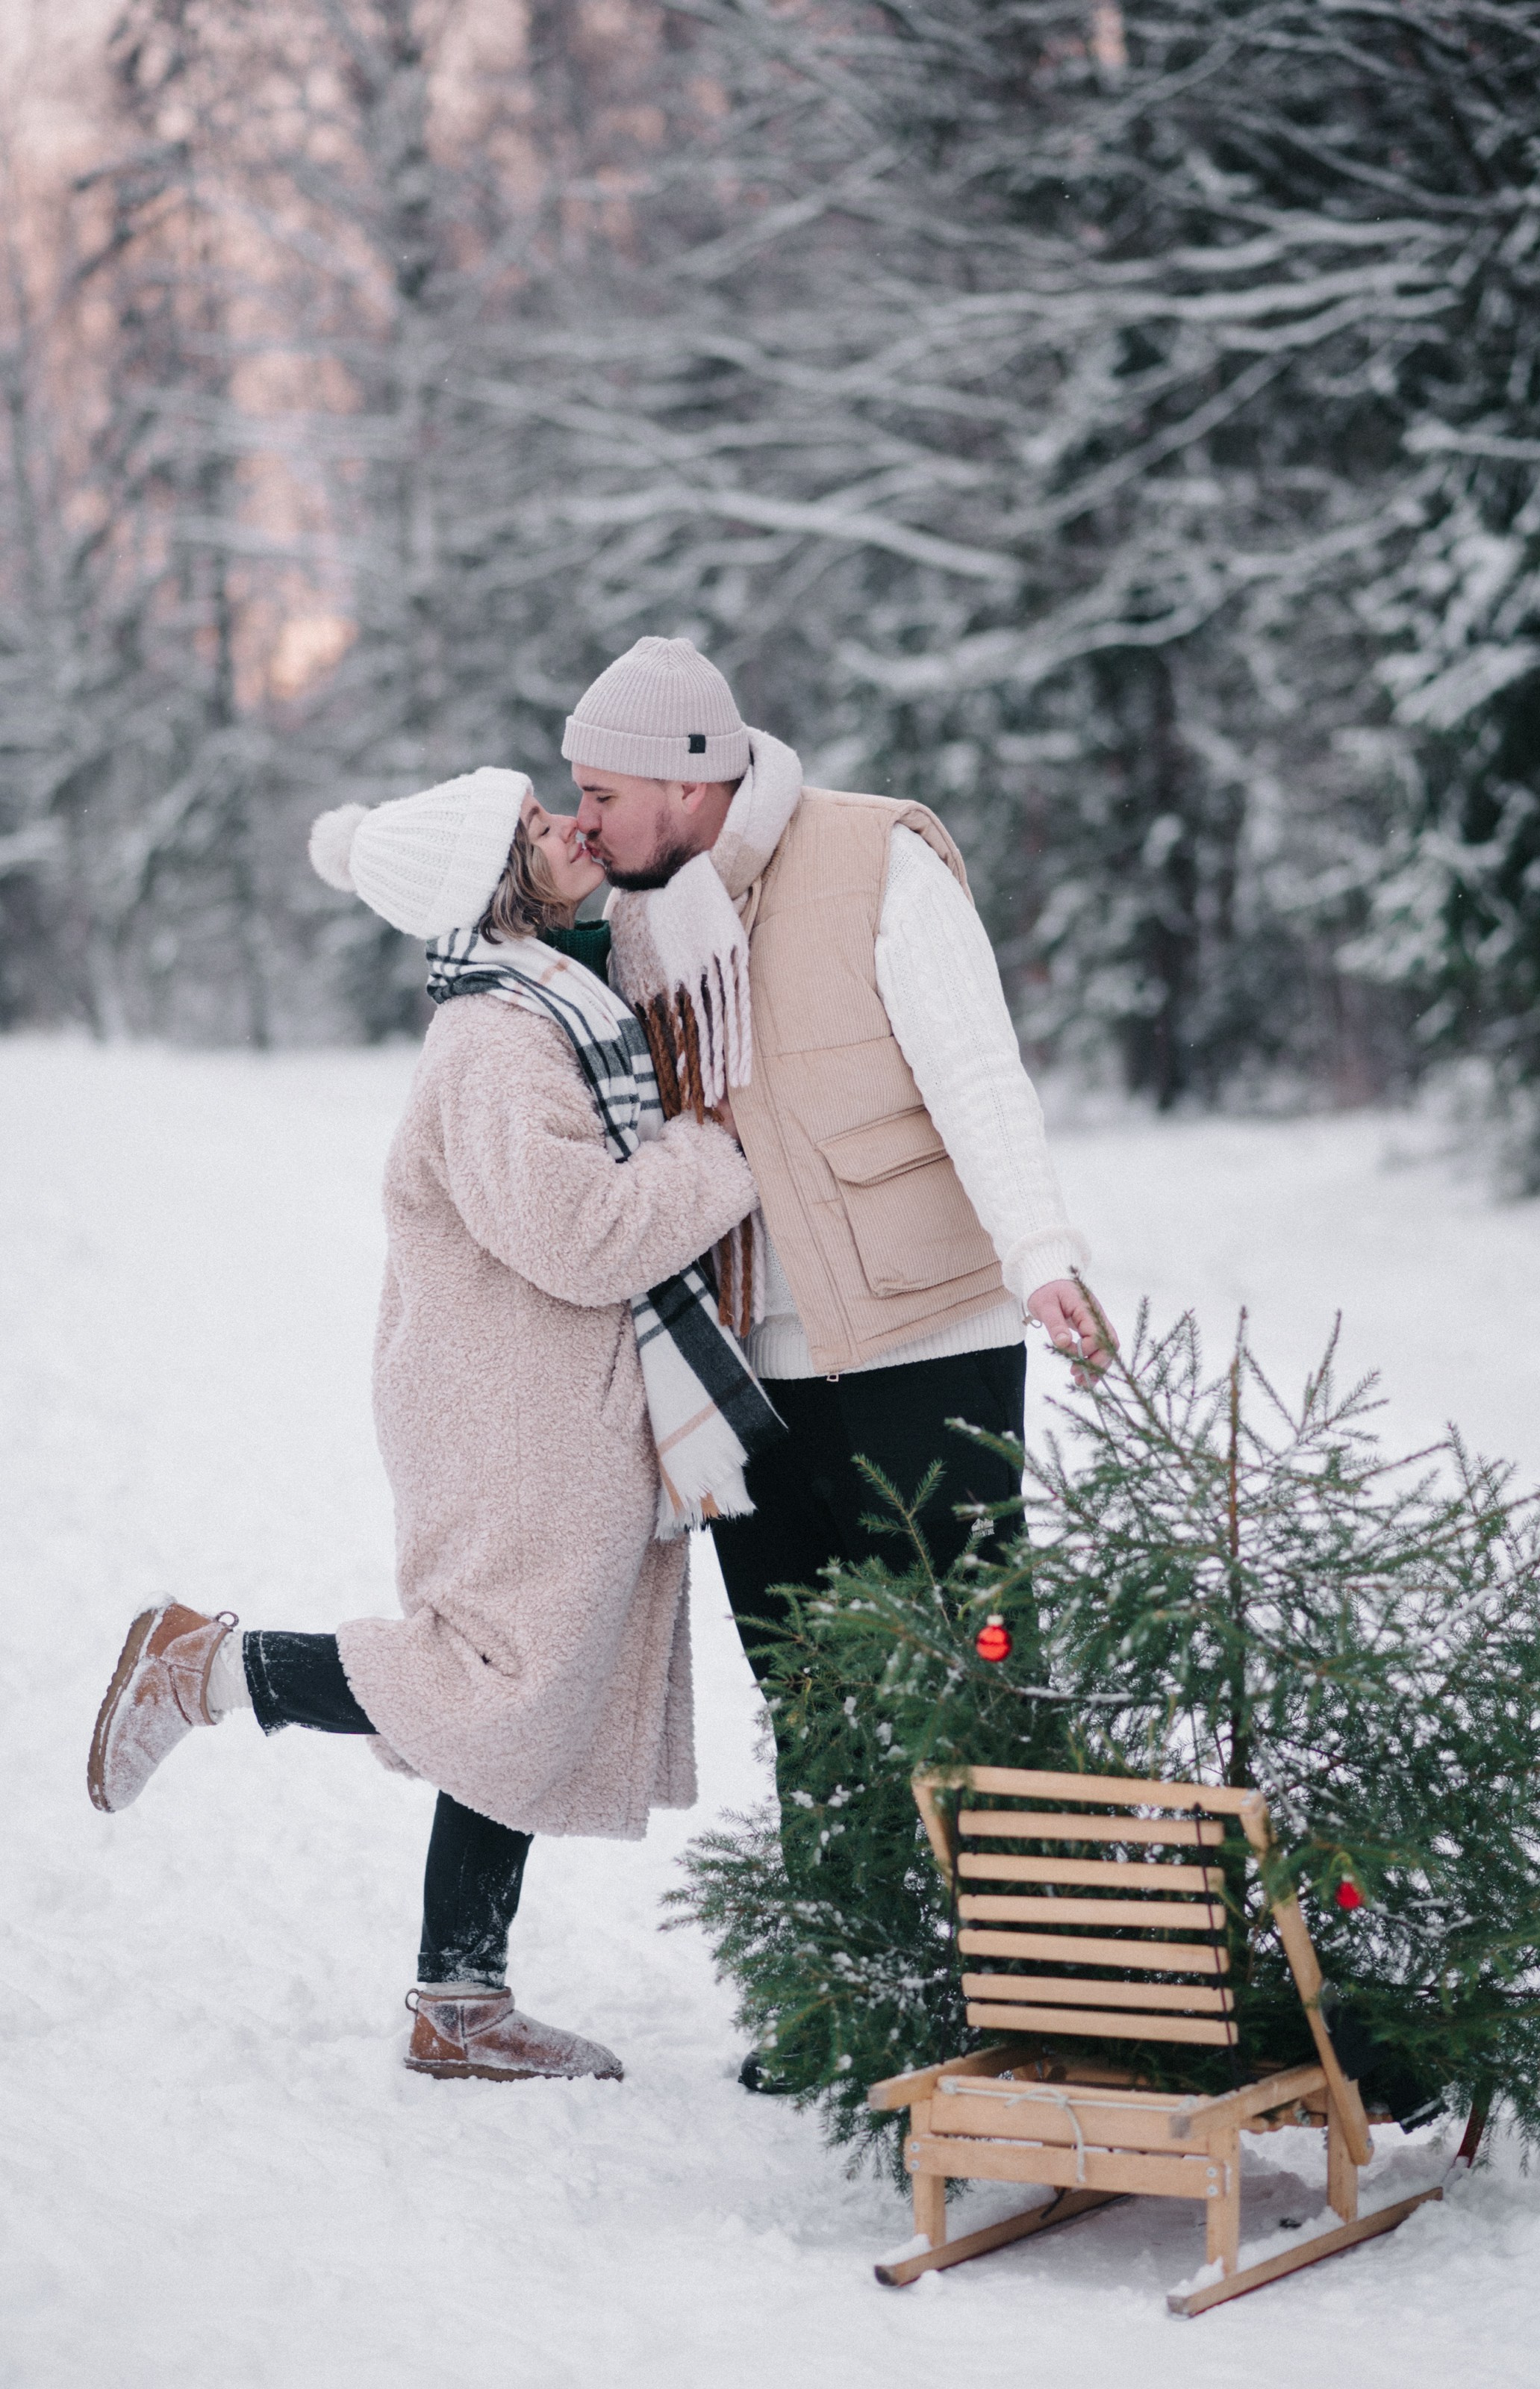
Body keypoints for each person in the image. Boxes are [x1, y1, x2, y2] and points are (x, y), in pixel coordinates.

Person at [87, 765, 772, 2084]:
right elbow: (578, 1234)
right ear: (497, 886)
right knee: (504, 1686)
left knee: (519, 1675)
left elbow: (667, 916)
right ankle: (211, 1667)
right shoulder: (499, 1042)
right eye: (535, 830)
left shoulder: (552, 990)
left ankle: (460, 1998)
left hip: (540, 1392)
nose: (569, 825)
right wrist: (721, 1154)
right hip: (511, 1406)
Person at [564, 635, 1109, 1737]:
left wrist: (1041, 1253)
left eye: (600, 793)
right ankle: (838, 1918)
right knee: (808, 1704)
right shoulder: (628, 918)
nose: (582, 819)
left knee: (979, 1684)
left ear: (686, 780)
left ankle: (1015, 1906)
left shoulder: (874, 857)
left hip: (924, 1339)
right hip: (742, 1372)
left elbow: (975, 1067)